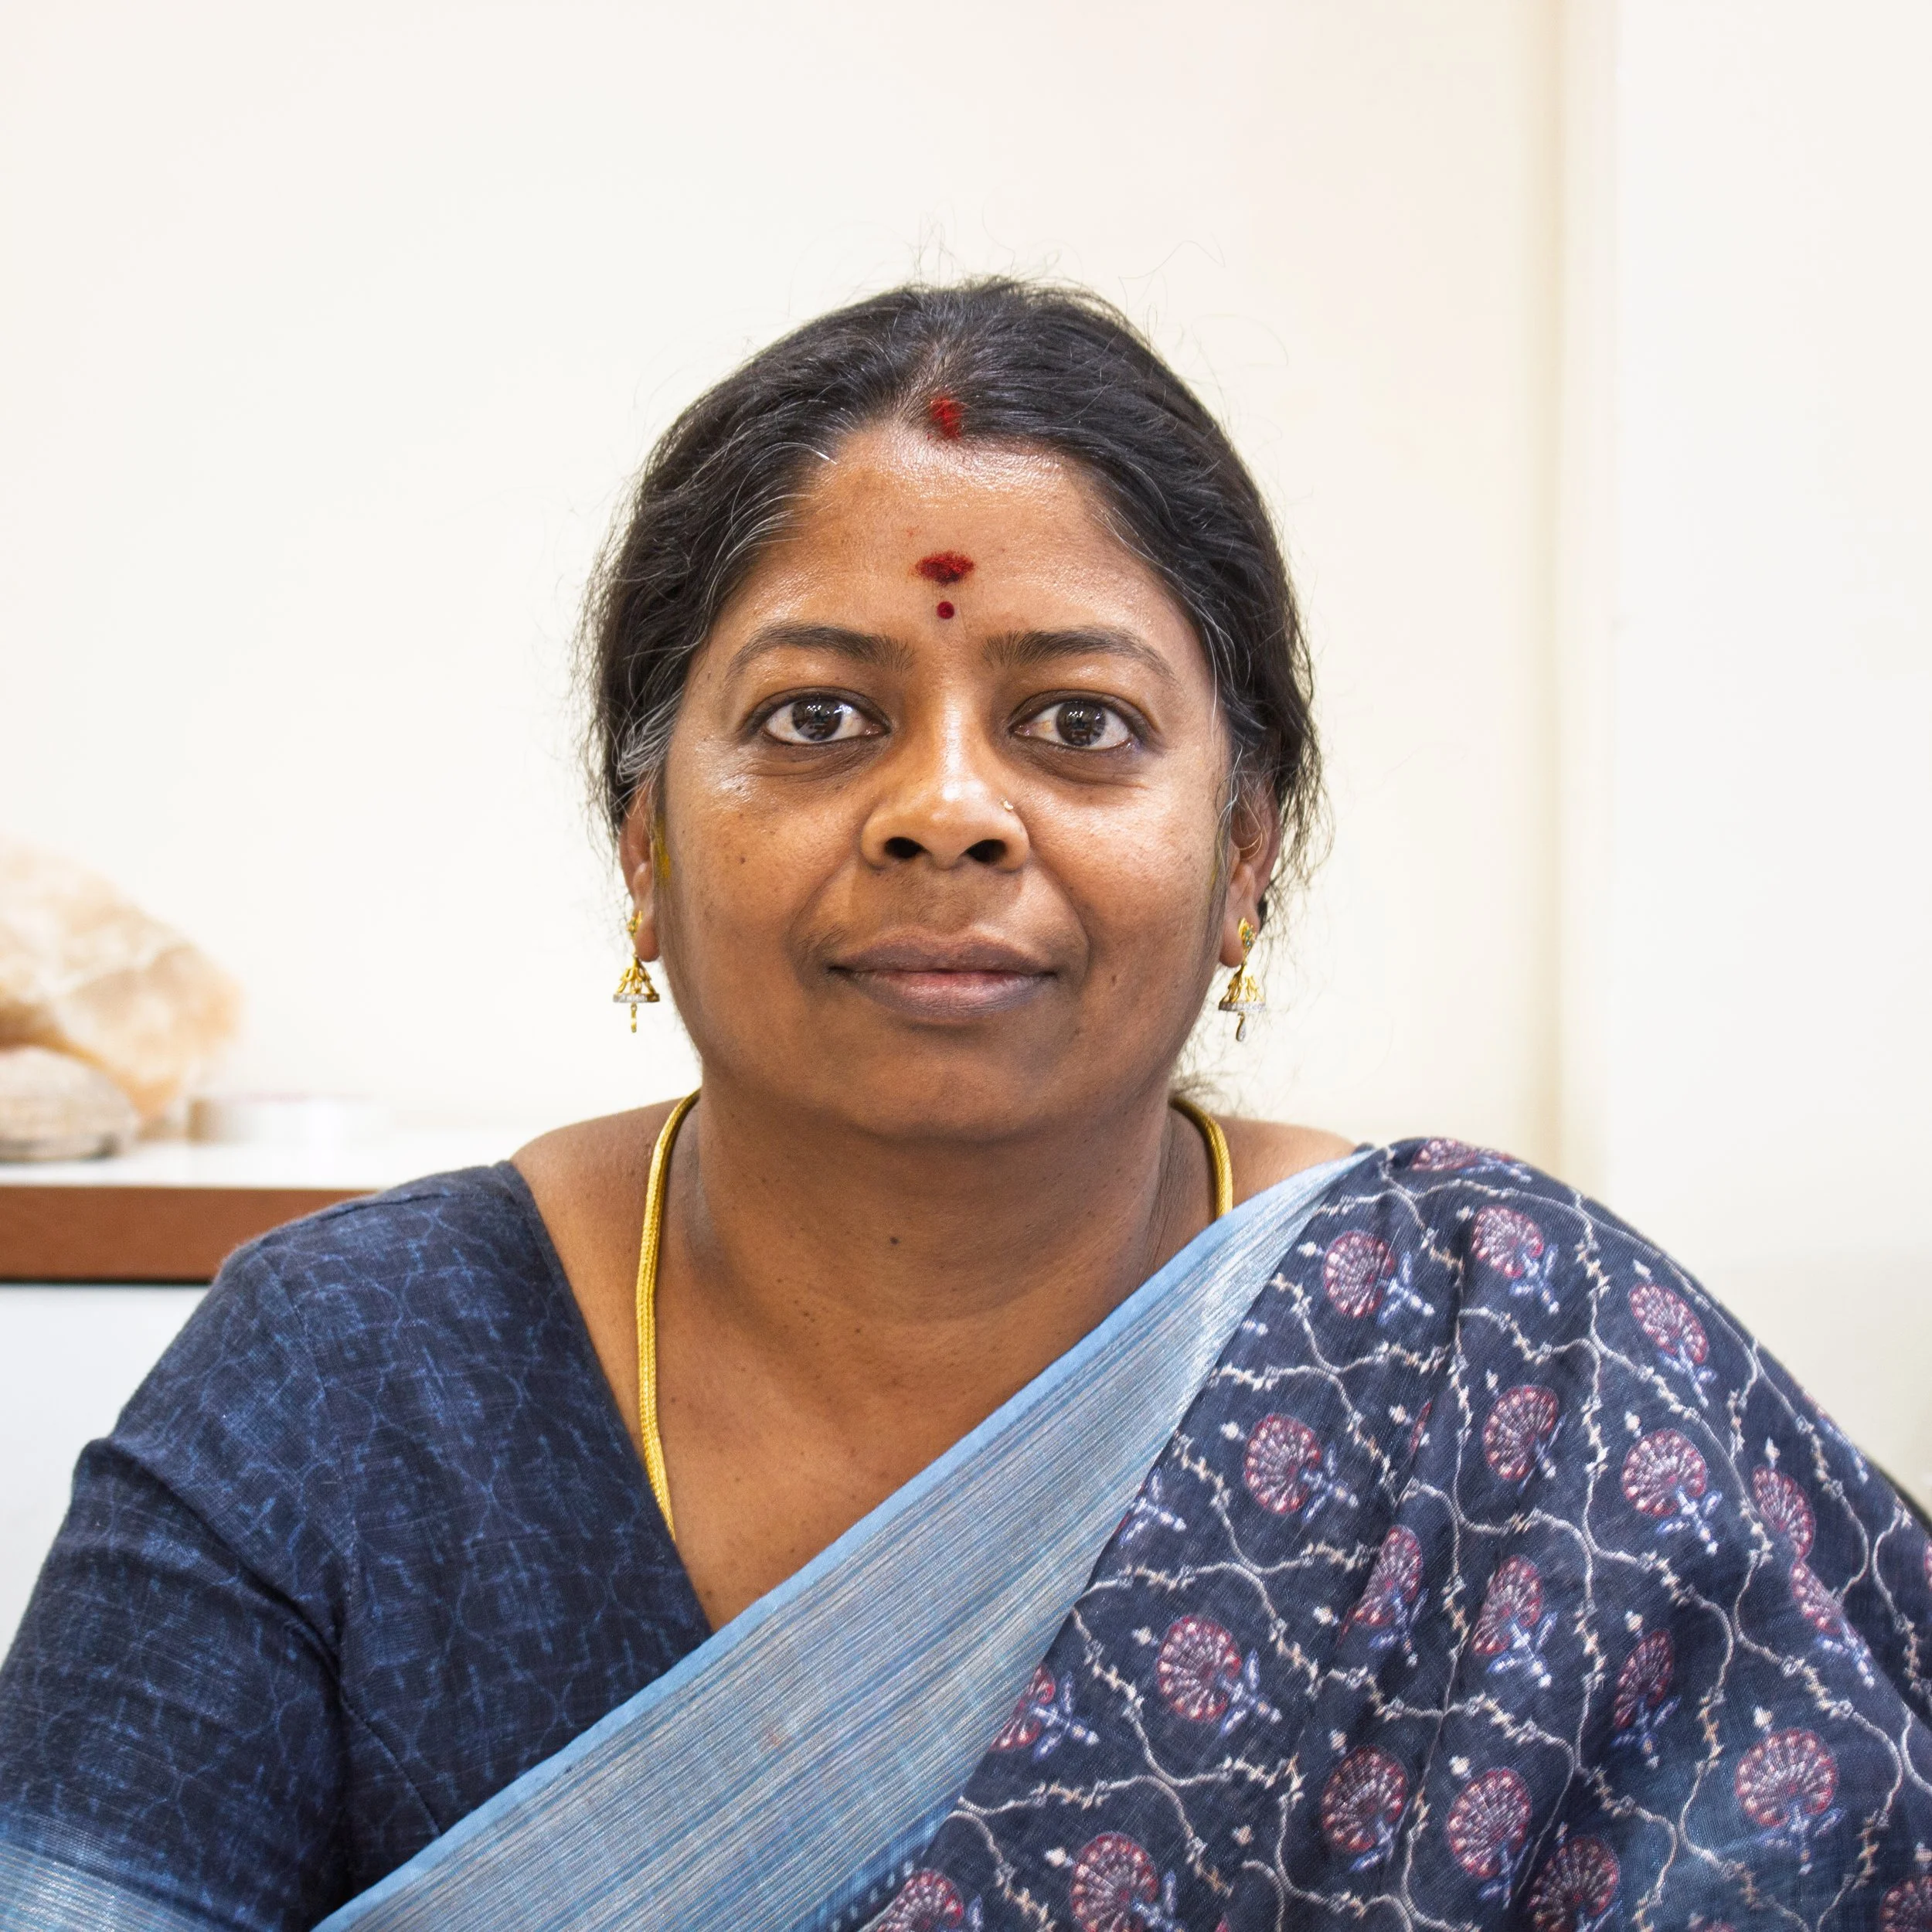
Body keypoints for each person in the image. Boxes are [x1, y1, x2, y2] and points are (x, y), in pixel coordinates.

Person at [1, 281, 1927, 1932]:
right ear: (644, 842)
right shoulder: (341, 1387)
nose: (947, 805)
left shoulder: (1517, 1364)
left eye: (1076, 723)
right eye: (816, 717)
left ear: (1243, 849)